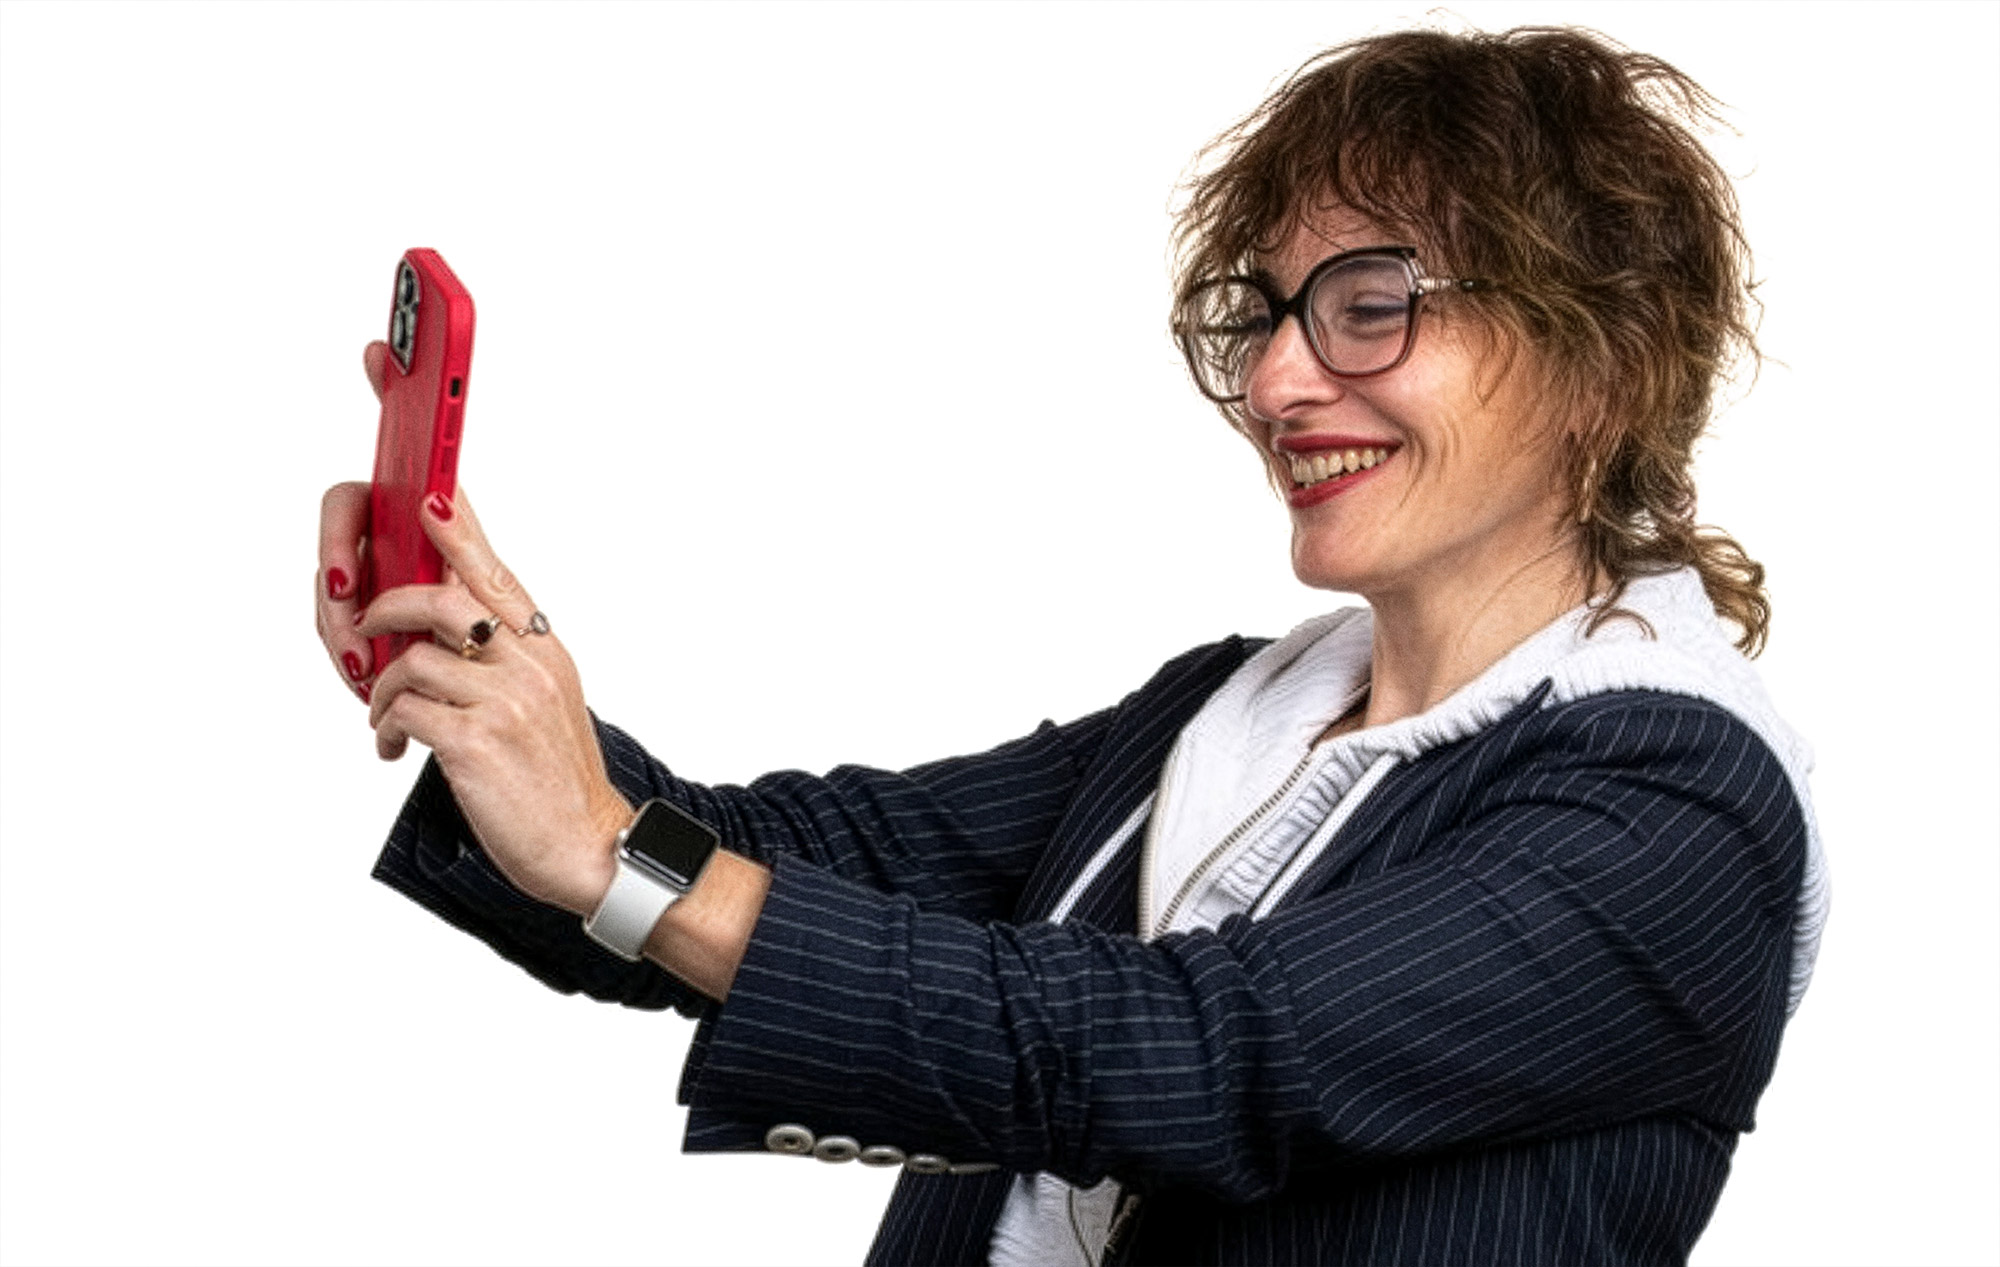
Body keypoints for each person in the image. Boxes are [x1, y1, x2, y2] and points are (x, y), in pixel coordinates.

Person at [314, 25, 1826, 1267]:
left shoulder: (1680, 809)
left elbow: (1212, 1057)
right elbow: (811, 855)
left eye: (1372, 304)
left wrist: (612, 857)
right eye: (1273, 314)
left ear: (1599, 360)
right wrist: (482, 680)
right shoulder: (1225, 713)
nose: (1282, 380)